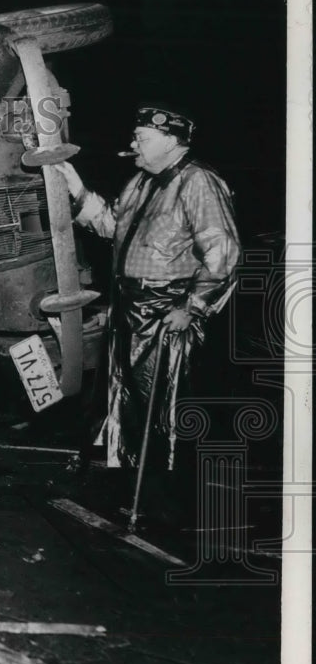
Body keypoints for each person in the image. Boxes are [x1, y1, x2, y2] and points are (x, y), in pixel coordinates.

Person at [54, 104, 240, 524]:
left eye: (143, 138)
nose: (133, 143)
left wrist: (191, 307)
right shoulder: (141, 182)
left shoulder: (199, 183)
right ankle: (133, 492)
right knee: (129, 402)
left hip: (165, 311)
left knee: (168, 407)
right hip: (129, 307)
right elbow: (108, 224)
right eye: (136, 136)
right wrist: (76, 187)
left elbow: (223, 252)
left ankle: (175, 505)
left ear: (172, 141)